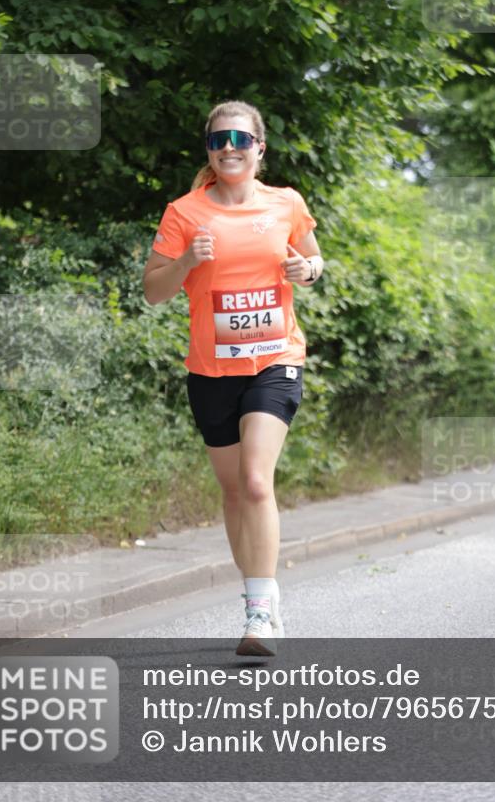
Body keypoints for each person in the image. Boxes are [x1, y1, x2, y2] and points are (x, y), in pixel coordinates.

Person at [142, 100, 323, 656]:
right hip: (211, 370)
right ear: (209, 150)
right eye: (219, 140)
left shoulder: (286, 203)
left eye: (241, 140)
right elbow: (153, 291)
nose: (229, 148)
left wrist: (307, 270)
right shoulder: (185, 212)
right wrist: (186, 262)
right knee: (231, 492)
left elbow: (314, 261)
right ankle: (259, 591)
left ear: (259, 148)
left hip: (275, 358)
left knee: (254, 481)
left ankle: (260, 614)